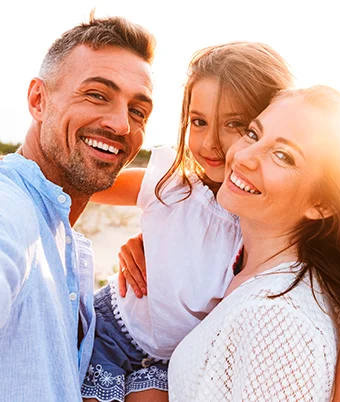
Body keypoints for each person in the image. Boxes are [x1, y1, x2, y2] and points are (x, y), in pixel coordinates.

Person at [81, 42, 294, 402]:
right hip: (113, 331)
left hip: (176, 360)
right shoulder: (172, 184)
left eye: (236, 125)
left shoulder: (265, 222)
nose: (210, 142)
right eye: (198, 122)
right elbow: (85, 182)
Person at [0, 13, 155, 401]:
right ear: (38, 100)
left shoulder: (65, 243)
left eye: (138, 111)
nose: (121, 124)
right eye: (97, 95)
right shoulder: (11, 209)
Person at [168, 85, 340, 401]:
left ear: (321, 204)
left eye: (283, 155)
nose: (243, 156)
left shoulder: (277, 319)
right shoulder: (243, 269)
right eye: (253, 133)